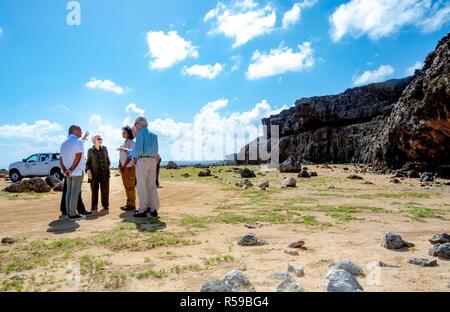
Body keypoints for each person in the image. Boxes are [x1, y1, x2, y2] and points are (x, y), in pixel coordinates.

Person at [133, 117, 160, 219]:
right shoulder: (154, 135)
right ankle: (153, 209)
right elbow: (156, 150)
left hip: (142, 160)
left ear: (139, 124)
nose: (135, 126)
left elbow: (139, 150)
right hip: (153, 161)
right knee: (152, 186)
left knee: (141, 186)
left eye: (135, 124)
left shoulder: (140, 134)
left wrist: (135, 158)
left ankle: (142, 210)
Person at [60, 131, 91, 218]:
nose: (81, 132)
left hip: (68, 173)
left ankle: (69, 213)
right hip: (76, 172)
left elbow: (61, 159)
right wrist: (70, 169)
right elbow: (78, 156)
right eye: (80, 131)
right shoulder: (78, 142)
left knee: (69, 192)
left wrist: (65, 170)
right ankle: (73, 214)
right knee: (74, 193)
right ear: (75, 131)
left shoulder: (63, 143)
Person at [86, 135, 111, 212]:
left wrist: (108, 169)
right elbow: (88, 163)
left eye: (101, 138)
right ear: (94, 141)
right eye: (98, 138)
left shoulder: (105, 149)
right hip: (94, 174)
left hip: (104, 174)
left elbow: (107, 160)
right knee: (94, 191)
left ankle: (105, 205)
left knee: (105, 190)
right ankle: (94, 206)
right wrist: (88, 171)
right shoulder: (90, 150)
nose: (101, 139)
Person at [118, 126, 136, 212]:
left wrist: (123, 166)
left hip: (128, 168)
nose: (123, 133)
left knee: (130, 187)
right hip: (124, 168)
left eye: (124, 132)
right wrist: (120, 165)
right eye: (123, 132)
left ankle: (132, 205)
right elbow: (122, 157)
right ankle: (129, 204)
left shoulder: (131, 143)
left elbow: (130, 156)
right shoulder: (124, 143)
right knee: (127, 187)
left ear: (128, 134)